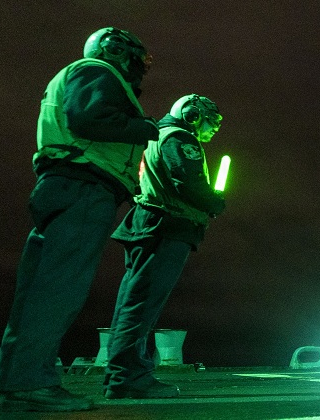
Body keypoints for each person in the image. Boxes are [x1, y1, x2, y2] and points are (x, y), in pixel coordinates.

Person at [0, 27, 157, 412]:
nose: (138, 66)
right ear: (116, 50)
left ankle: (17, 383)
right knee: (59, 290)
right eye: (135, 56)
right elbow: (88, 119)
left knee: (39, 291)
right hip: (84, 186)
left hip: (64, 185)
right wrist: (147, 127)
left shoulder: (80, 72)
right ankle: (32, 384)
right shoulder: (99, 71)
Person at [103, 94, 225, 399]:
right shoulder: (180, 138)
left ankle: (120, 377)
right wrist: (214, 204)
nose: (213, 131)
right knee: (143, 303)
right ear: (193, 114)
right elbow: (187, 181)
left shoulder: (156, 136)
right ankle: (130, 377)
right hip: (167, 227)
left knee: (130, 302)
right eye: (211, 122)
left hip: (147, 225)